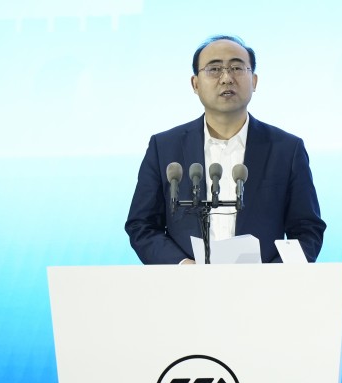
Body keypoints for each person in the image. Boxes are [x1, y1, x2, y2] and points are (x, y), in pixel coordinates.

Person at [125, 35, 326, 264]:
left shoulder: (287, 149)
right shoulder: (164, 148)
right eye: (214, 69)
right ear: (195, 84)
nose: (227, 78)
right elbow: (142, 225)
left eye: (237, 68)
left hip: (262, 284)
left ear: (254, 81)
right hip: (185, 283)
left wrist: (271, 274)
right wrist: (182, 266)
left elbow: (307, 231)